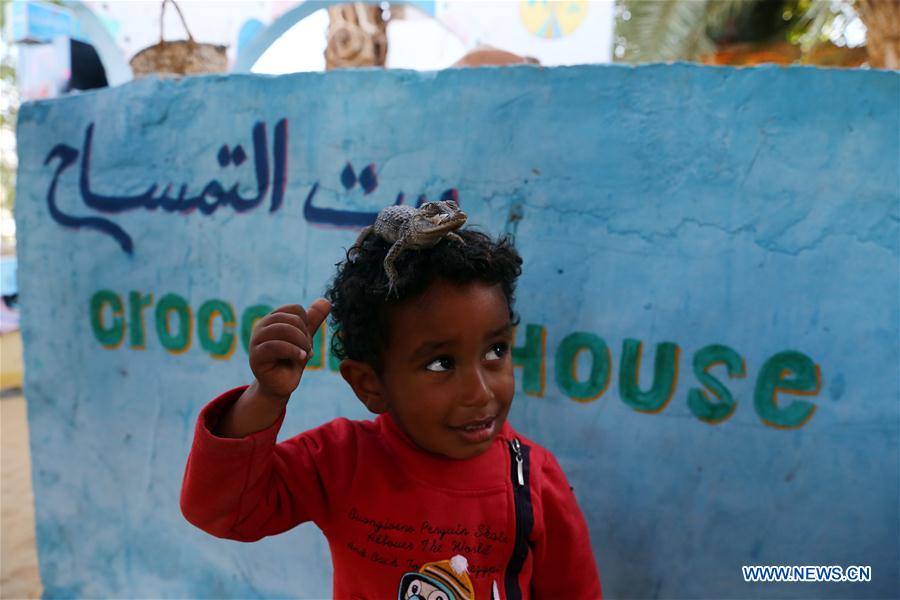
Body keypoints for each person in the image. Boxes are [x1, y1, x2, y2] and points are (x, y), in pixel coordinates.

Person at [180, 204, 602, 599]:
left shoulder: (533, 479)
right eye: (441, 363)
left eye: (495, 352)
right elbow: (220, 510)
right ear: (369, 385)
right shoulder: (341, 461)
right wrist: (265, 396)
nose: (481, 392)